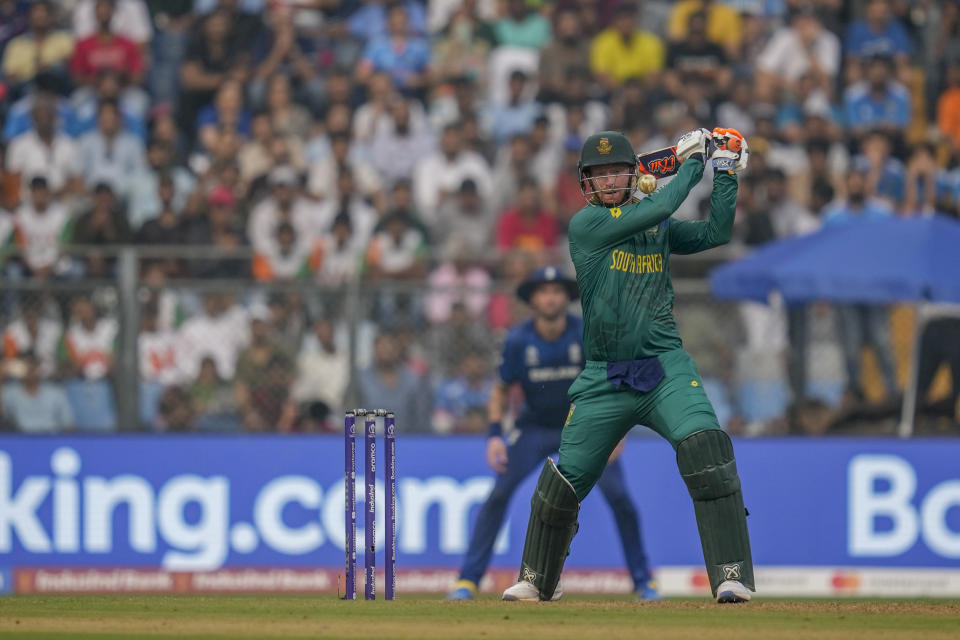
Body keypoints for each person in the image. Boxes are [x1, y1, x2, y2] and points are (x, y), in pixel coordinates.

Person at [499, 127, 754, 604]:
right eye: (598, 174)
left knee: (705, 447)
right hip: (604, 377)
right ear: (586, 185)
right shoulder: (586, 227)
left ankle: (730, 575)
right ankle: (536, 580)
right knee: (563, 482)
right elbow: (658, 206)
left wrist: (723, 172)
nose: (609, 180)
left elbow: (716, 232)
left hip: (664, 368)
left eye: (617, 170)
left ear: (634, 173)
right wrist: (692, 163)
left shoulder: (653, 225)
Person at [447, 266, 660, 601]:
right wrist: (493, 435)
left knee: (620, 499)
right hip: (535, 428)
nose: (550, 297)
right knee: (498, 496)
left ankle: (643, 581)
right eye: (543, 291)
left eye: (557, 291)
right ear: (532, 299)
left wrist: (619, 428)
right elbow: (501, 390)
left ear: (566, 298)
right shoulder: (518, 340)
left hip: (587, 428)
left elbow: (616, 380)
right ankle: (467, 581)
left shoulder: (586, 333)